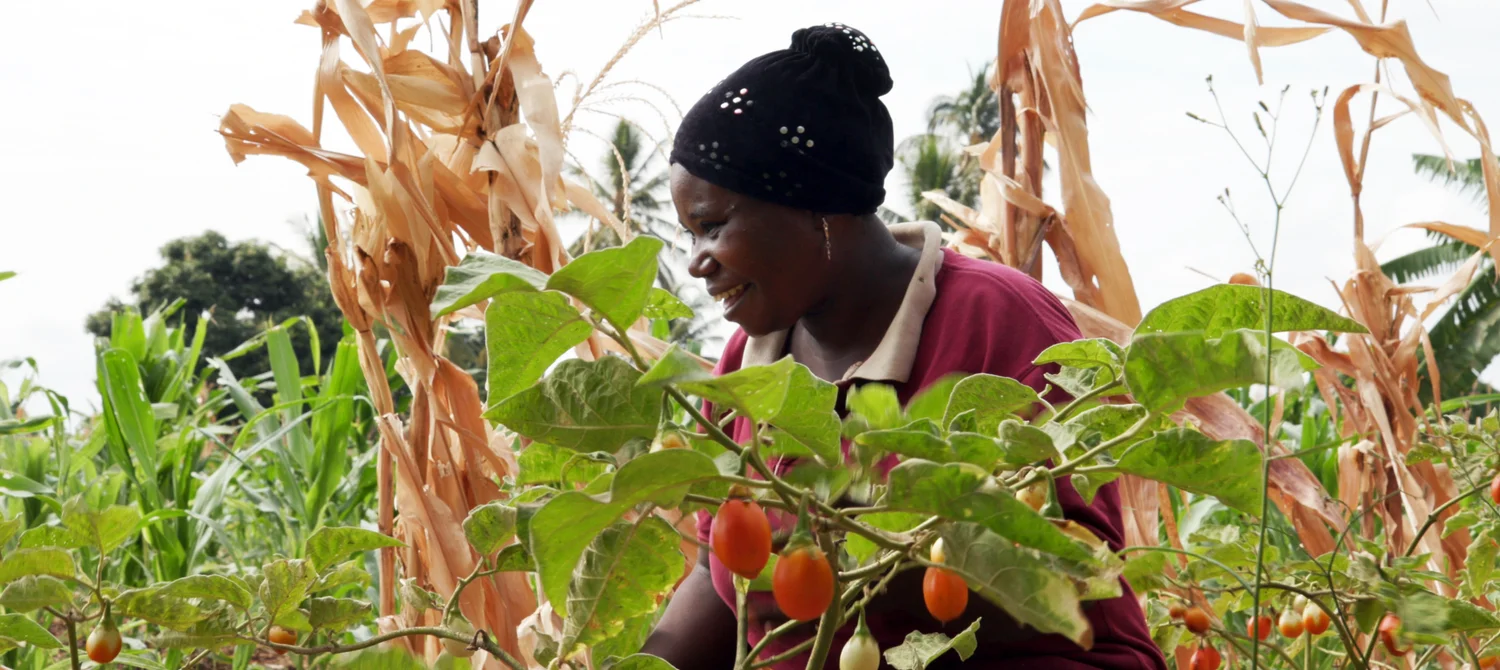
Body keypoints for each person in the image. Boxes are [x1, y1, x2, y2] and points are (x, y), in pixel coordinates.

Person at [639, 22, 1167, 670]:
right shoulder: (744, 367)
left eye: (713, 226)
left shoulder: (998, 321)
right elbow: (716, 579)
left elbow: (1079, 567)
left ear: (815, 207)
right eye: (689, 235)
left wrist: (870, 542)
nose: (697, 262)